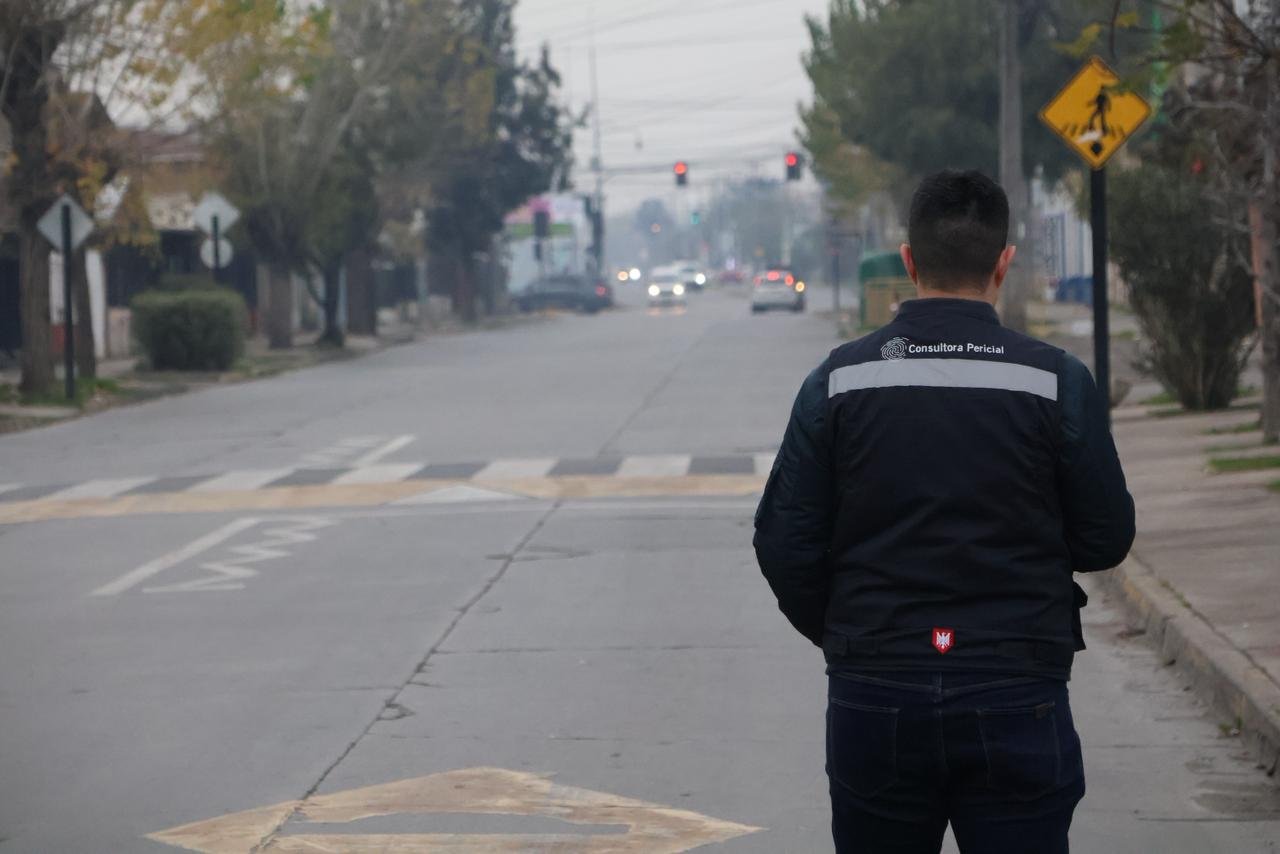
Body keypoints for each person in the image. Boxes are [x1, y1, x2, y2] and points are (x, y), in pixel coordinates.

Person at [753, 170, 1135, 854]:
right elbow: (1105, 536)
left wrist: (851, 632)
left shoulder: (838, 382)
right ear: (1003, 263)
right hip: (1017, 682)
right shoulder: (1055, 382)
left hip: (875, 684)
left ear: (908, 261)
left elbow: (785, 542)